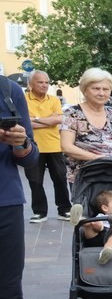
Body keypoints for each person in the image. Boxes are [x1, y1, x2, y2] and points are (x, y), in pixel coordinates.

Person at [1, 77, 56, 299]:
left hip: (5, 201)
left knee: (8, 289)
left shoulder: (8, 91)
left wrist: (20, 143)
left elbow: (30, 157)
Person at [60, 68, 112, 190]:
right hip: (84, 176)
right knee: (87, 209)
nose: (101, 93)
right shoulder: (72, 113)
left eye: (105, 89)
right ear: (85, 90)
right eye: (96, 88)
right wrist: (97, 158)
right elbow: (66, 146)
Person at [23, 70, 71, 222]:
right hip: (32, 146)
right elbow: (25, 123)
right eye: (40, 82)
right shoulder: (23, 100)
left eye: (46, 82)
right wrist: (47, 119)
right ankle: (40, 212)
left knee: (60, 178)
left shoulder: (54, 100)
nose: (44, 85)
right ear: (31, 84)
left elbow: (59, 119)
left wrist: (35, 119)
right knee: (35, 180)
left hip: (54, 145)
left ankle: (64, 209)